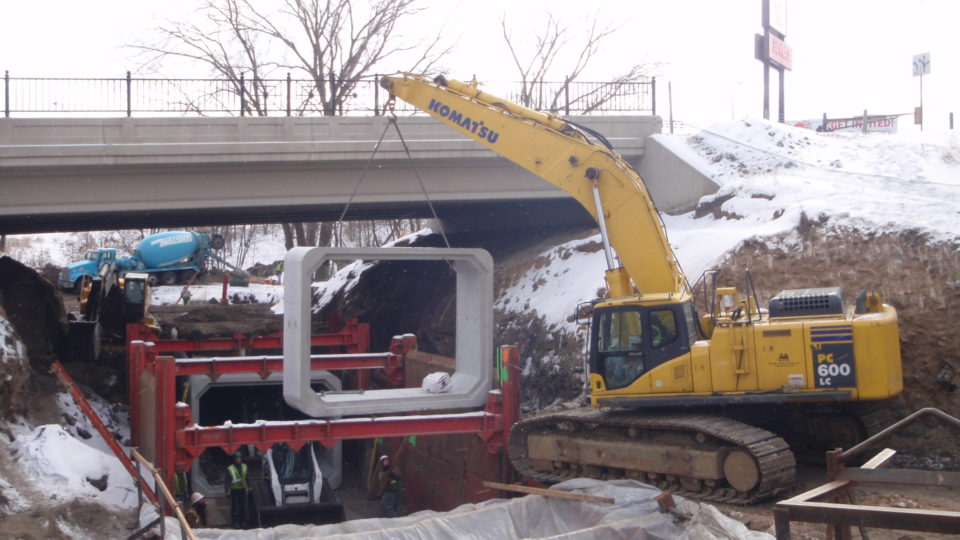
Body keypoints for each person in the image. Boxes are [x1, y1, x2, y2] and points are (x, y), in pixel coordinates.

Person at [226, 451, 249, 528]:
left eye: (240, 458)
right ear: (235, 459)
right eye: (238, 458)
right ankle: (235, 522)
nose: (239, 459)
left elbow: (247, 477)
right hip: (234, 490)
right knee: (235, 507)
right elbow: (227, 480)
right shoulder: (230, 468)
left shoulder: (244, 466)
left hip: (242, 489)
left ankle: (243, 522)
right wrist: (227, 490)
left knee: (243, 506)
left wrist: (250, 486)